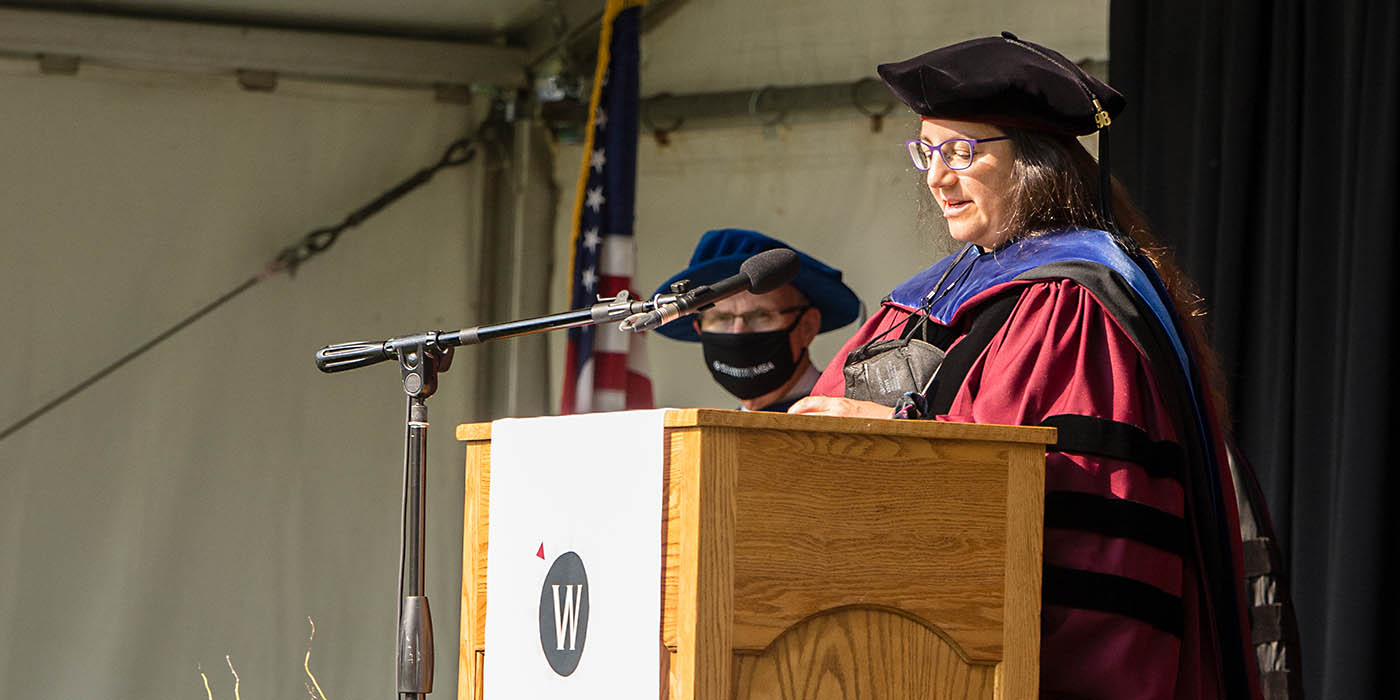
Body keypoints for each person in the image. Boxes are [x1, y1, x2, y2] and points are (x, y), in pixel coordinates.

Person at [790, 33, 1268, 699]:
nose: (935, 176)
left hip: (1020, 666)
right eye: (926, 152)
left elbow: (1084, 507)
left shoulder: (1078, 304)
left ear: (1033, 162)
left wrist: (891, 435)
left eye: (959, 150)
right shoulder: (919, 300)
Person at [652, 228, 860, 412]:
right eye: (722, 318)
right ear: (699, 328)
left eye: (761, 316)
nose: (738, 332)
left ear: (807, 327)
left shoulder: (853, 415)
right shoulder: (713, 435)